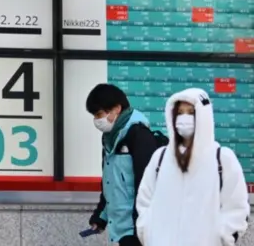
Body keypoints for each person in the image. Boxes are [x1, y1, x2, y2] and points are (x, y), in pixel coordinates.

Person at [136, 88, 249, 246]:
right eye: (180, 112)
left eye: (191, 112)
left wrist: (222, 237)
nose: (184, 117)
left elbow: (237, 208)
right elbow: (144, 201)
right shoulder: (160, 157)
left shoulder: (222, 158)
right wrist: (147, 233)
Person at [86, 84, 160, 246]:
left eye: (99, 114)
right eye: (94, 116)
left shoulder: (139, 135)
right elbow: (110, 183)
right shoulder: (109, 139)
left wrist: (137, 230)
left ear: (116, 109)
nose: (97, 120)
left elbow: (147, 186)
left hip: (136, 232)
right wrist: (101, 216)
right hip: (118, 230)